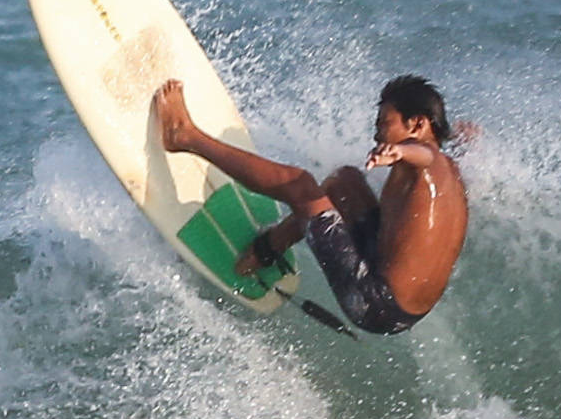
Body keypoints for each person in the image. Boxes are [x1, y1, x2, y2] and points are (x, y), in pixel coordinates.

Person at [150, 74, 470, 334]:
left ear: (416, 124)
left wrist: (398, 152)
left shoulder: (425, 161)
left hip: (376, 303)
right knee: (343, 182)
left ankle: (184, 137)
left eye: (384, 124)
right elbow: (431, 154)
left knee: (301, 186)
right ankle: (264, 251)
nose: (377, 135)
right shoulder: (448, 168)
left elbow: (422, 155)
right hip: (403, 299)